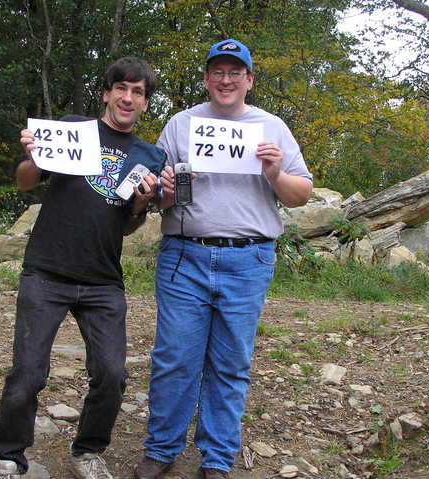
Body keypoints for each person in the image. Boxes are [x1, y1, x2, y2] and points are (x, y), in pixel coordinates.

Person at [134, 40, 313, 479]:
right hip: (185, 257)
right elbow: (153, 190)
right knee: (175, 356)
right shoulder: (181, 124)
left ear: (250, 80)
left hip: (248, 260)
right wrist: (164, 192)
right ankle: (162, 448)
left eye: (236, 72)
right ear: (207, 79)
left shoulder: (271, 127)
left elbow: (301, 195)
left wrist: (274, 173)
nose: (226, 80)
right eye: (218, 71)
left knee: (231, 362)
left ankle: (216, 457)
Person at [0, 56, 165, 479]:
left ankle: (88, 450)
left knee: (112, 374)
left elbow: (128, 225)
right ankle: (10, 456)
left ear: (145, 103)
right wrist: (33, 156)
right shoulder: (72, 130)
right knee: (28, 373)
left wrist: (142, 203)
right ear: (106, 93)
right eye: (120, 88)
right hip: (46, 272)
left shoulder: (149, 155)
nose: (127, 97)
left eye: (137, 92)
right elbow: (25, 182)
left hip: (103, 281)